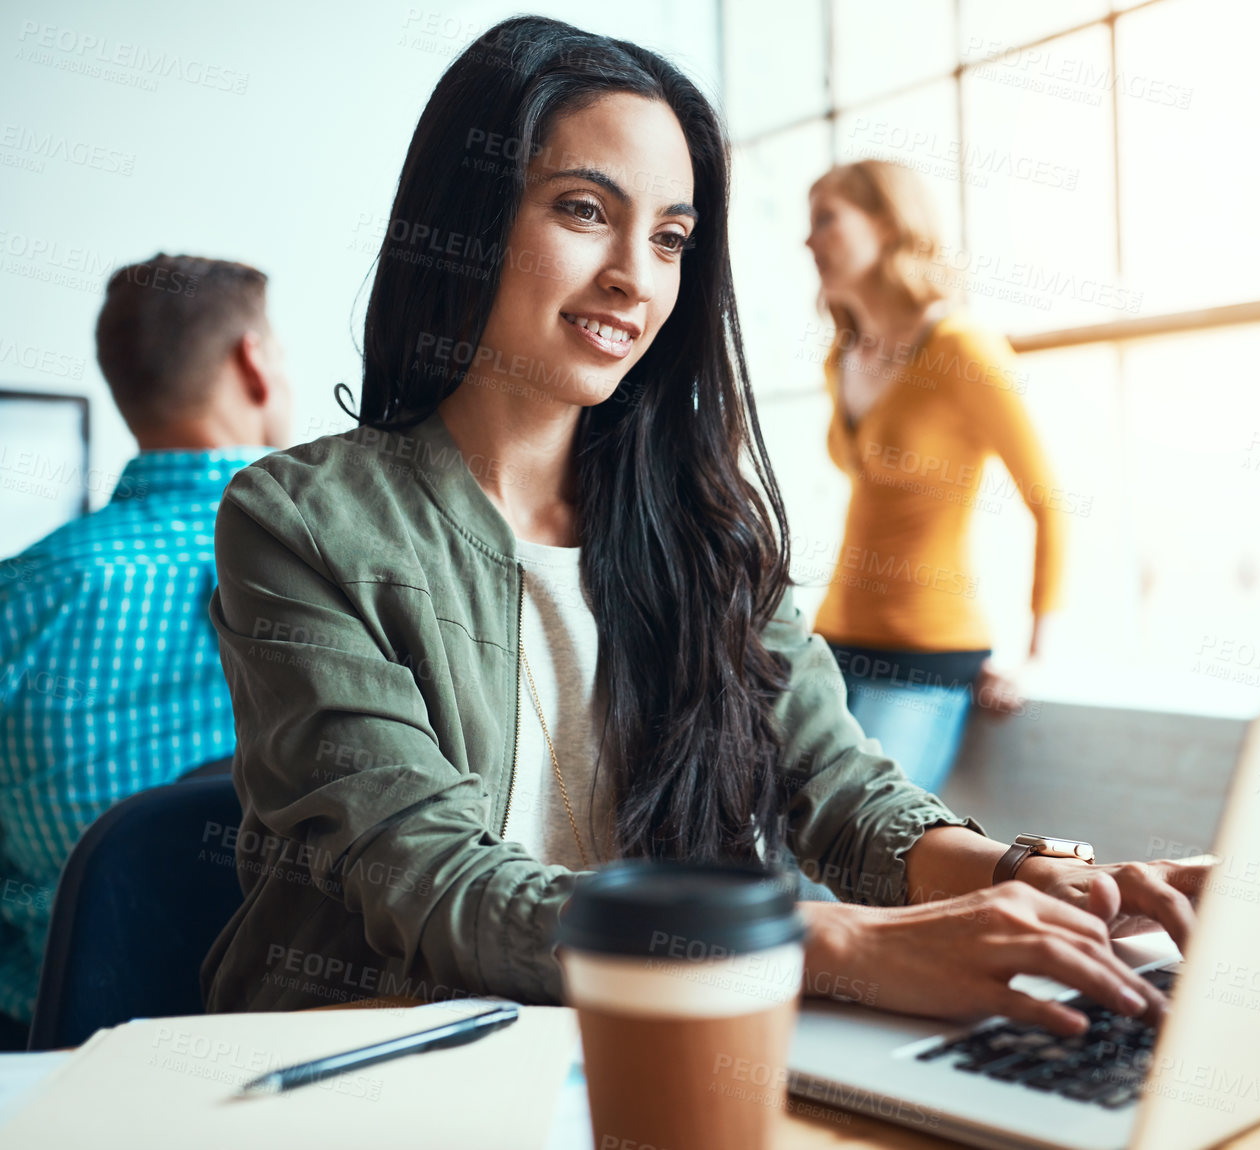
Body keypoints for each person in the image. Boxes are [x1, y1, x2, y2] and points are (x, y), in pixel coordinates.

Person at [202, 17, 1205, 1037]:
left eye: (671, 238)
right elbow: (427, 878)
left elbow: (830, 780)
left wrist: (1043, 877)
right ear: (468, 214)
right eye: (585, 210)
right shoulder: (299, 522)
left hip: (657, 1055)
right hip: (384, 1069)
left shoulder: (700, 523)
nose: (636, 277)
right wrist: (837, 945)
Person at [0, 254, 293, 1047]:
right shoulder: (336, 564)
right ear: (254, 362)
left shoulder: (21, 593)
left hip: (62, 1052)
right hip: (312, 1032)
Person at [805, 160, 1065, 796]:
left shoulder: (960, 347)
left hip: (925, 659)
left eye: (826, 219)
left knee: (858, 851)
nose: (808, 241)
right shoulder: (841, 356)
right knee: (780, 855)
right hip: (830, 644)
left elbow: (1049, 503)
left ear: (889, 225)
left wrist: (1033, 657)